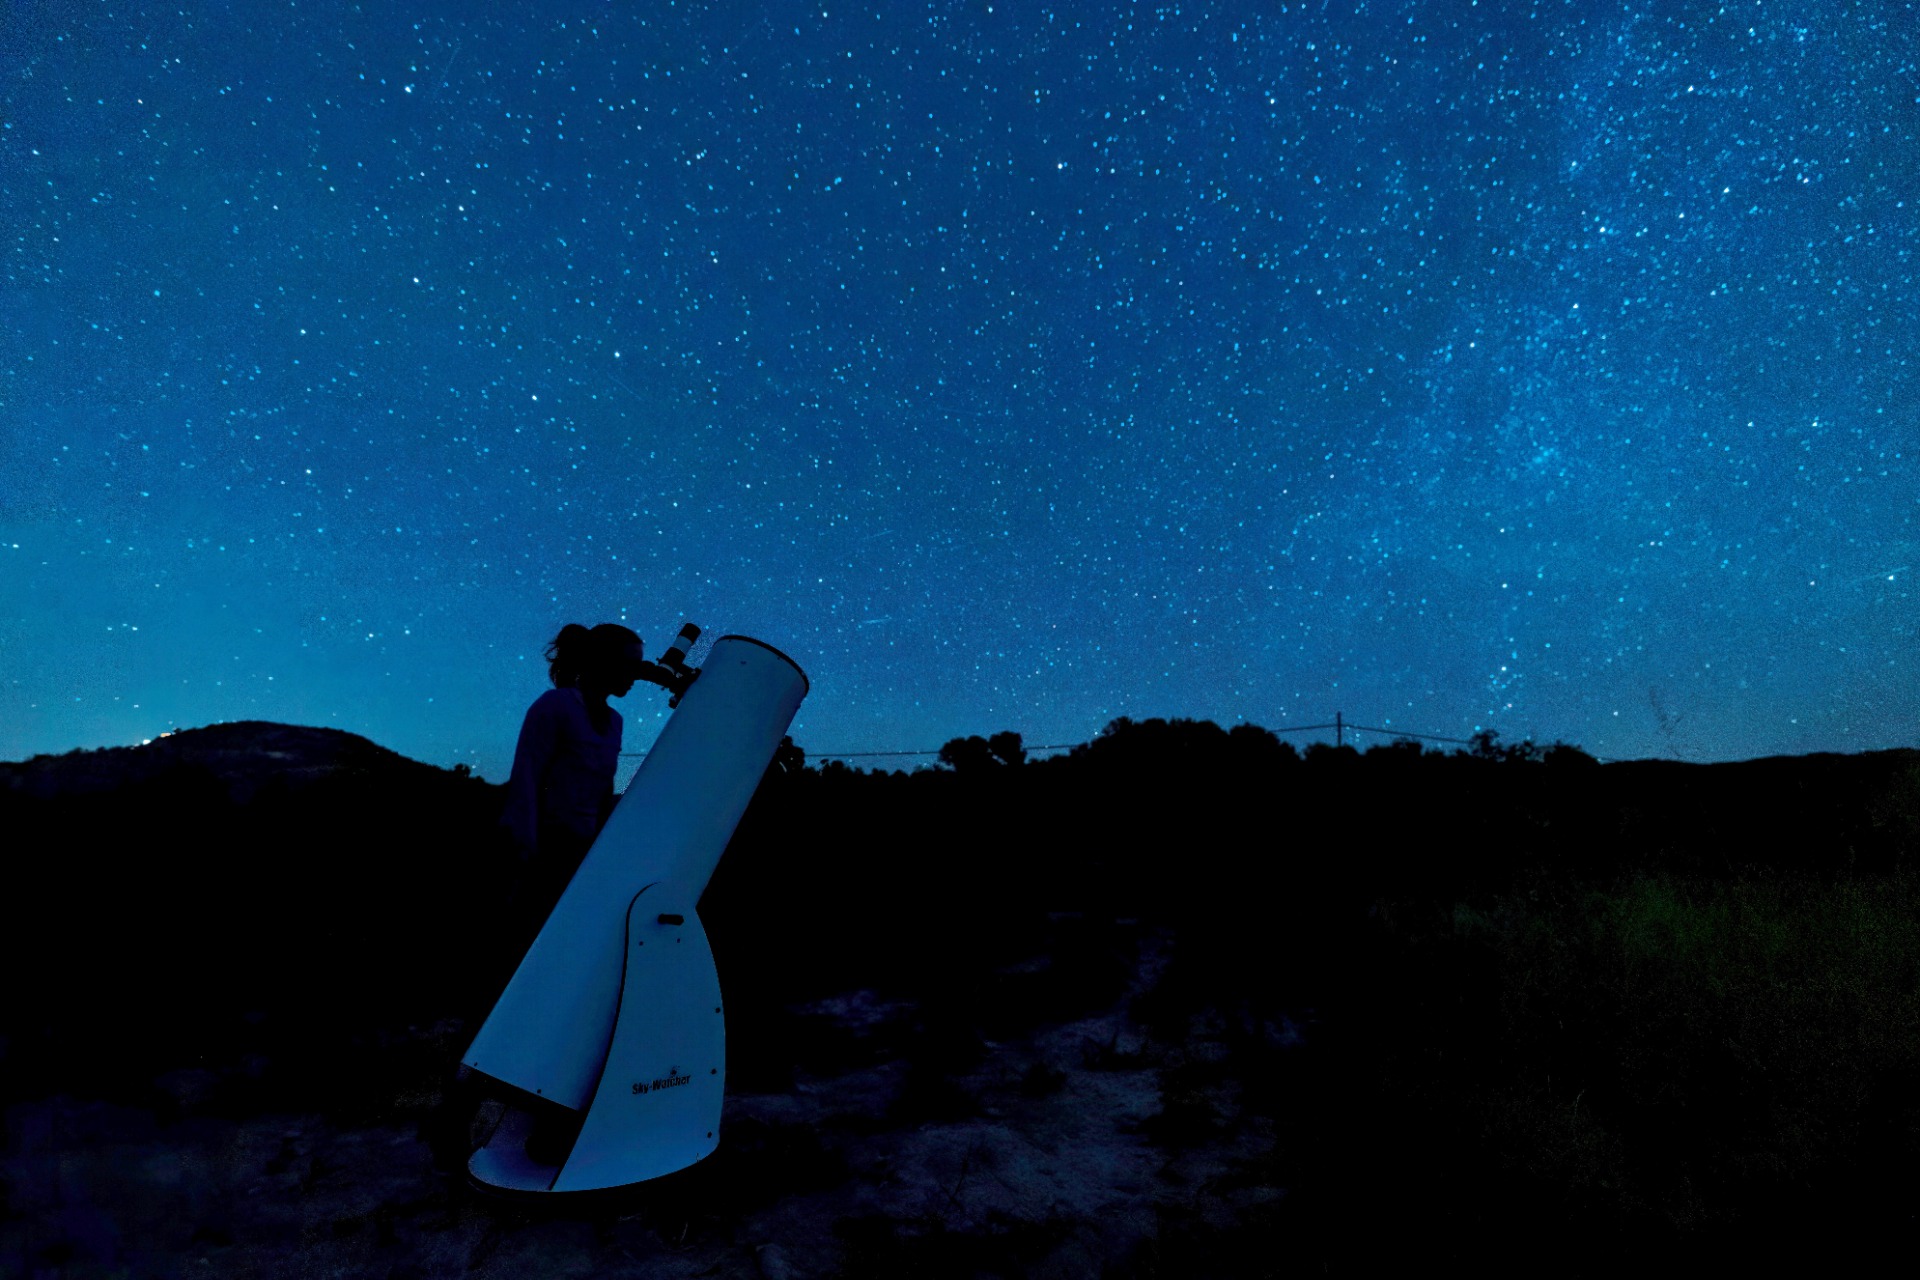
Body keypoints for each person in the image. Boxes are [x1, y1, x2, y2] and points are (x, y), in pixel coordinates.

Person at [500, 622, 683, 916]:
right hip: (544, 847)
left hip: (584, 850)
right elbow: (527, 778)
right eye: (630, 665)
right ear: (603, 663)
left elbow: (603, 788)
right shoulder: (556, 705)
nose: (635, 675)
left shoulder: (615, 722)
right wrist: (524, 848)